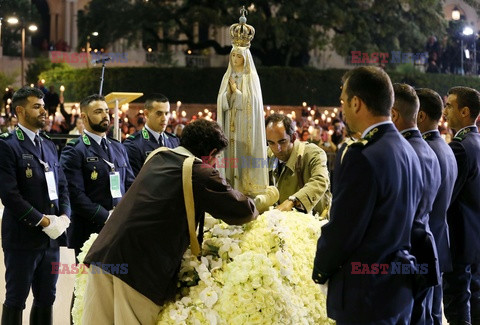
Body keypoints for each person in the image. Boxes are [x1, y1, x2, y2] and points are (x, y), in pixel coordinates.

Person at [81, 119, 258, 324]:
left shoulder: (159, 156)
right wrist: (261, 200)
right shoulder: (199, 171)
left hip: (104, 256)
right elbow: (241, 210)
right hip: (137, 269)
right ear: (210, 154)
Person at [313, 66, 423, 323]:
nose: (342, 110)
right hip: (398, 290)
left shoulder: (362, 156)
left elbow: (343, 230)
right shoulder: (409, 151)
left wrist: (320, 269)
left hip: (366, 295)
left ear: (356, 102)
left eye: (343, 102)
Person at [0, 87, 71, 324]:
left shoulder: (49, 144)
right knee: (16, 299)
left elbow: (62, 186)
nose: (44, 111)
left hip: (51, 238)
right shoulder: (8, 145)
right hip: (23, 237)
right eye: (36, 106)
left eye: (43, 105)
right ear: (20, 111)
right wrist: (43, 221)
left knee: (46, 298)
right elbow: (10, 195)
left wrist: (65, 217)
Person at [60, 94, 134, 258]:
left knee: (115, 280)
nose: (105, 115)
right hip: (90, 230)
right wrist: (105, 216)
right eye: (98, 111)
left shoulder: (118, 147)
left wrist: (126, 214)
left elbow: (130, 184)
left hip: (119, 228)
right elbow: (75, 194)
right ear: (84, 117)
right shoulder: (75, 150)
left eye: (107, 111)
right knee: (88, 282)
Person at [391, 83, 442, 324]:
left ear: (394, 113)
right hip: (425, 247)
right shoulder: (429, 149)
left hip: (406, 253)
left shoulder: (403, 152)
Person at [416, 88, 458, 324]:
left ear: (420, 115)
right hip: (439, 238)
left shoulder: (425, 151)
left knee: (425, 314)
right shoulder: (445, 146)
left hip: (425, 241)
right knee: (433, 313)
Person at [216, 8, 268, 197]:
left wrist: (237, 92)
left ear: (245, 58)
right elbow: (221, 101)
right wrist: (227, 95)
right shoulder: (227, 76)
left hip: (245, 127)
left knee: (243, 160)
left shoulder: (251, 78)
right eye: (233, 56)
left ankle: (247, 188)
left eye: (239, 56)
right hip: (230, 124)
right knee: (230, 156)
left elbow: (252, 103)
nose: (236, 59)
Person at [442, 86, 480, 325]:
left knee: (458, 303)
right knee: (473, 298)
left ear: (465, 111)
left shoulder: (460, 146)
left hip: (460, 238)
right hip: (474, 235)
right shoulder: (475, 141)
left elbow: (447, 195)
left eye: (449, 105)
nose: (444, 111)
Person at [266, 113, 331, 215]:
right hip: (282, 223)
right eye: (271, 143)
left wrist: (293, 201)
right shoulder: (267, 155)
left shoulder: (313, 153)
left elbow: (320, 180)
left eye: (282, 141)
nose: (277, 148)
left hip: (313, 222)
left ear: (293, 137)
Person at [123, 93, 180, 176]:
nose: (164, 119)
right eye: (159, 113)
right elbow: (134, 182)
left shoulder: (174, 141)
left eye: (166, 113)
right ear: (146, 114)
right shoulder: (134, 144)